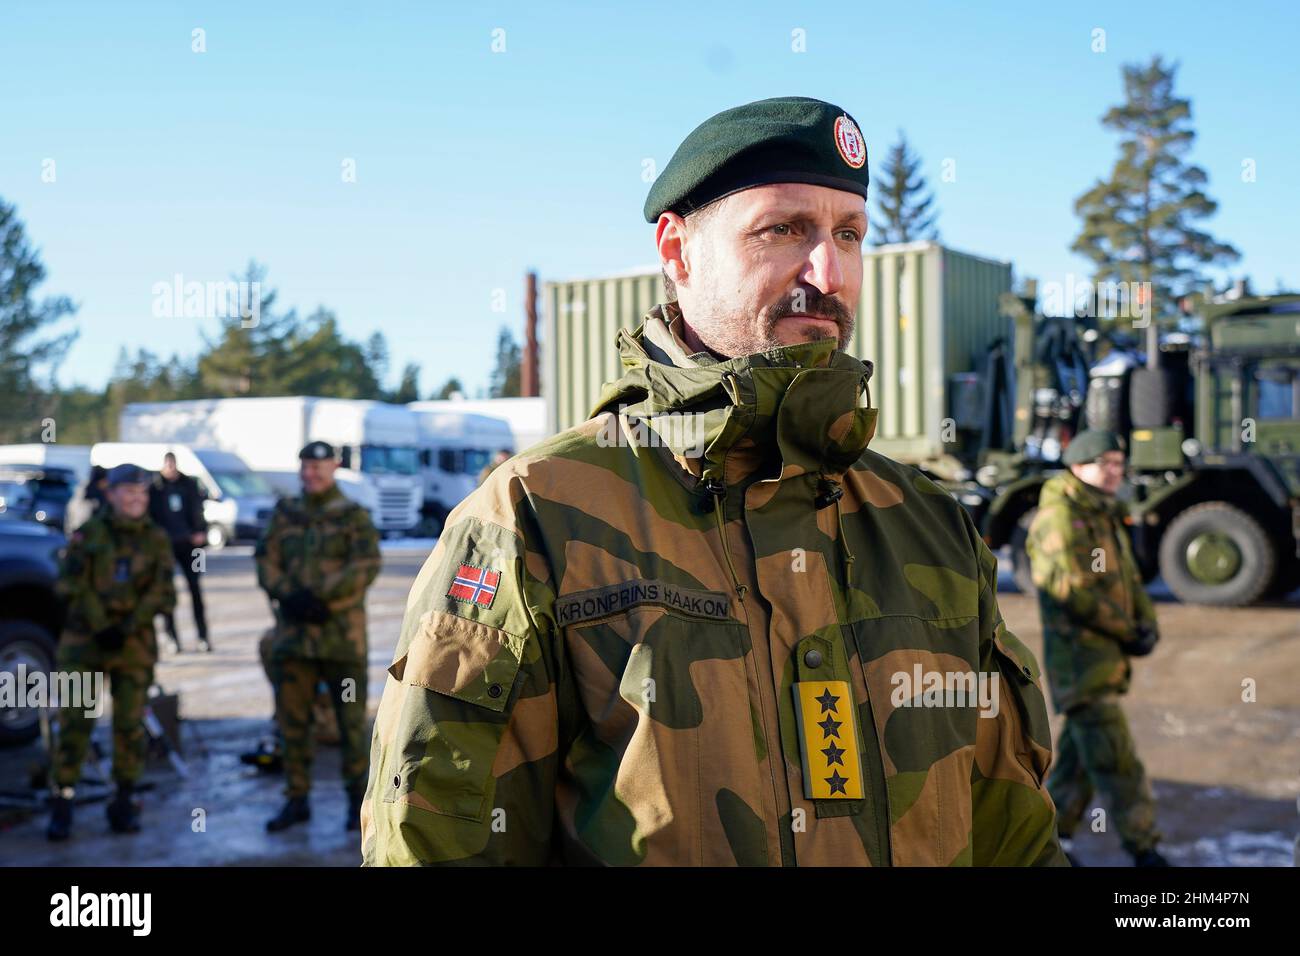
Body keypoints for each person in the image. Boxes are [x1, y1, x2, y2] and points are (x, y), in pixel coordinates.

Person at [362, 96, 1066, 866]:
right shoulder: (538, 514)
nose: (827, 272)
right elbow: (436, 840)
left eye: (849, 235)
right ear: (678, 251)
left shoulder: (926, 519)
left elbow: (1014, 834)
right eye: (783, 230)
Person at [1026, 429, 1168, 867]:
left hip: (1104, 656)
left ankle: (1046, 841)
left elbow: (1126, 578)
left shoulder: (1103, 511)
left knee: (1079, 760)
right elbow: (1073, 590)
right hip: (1080, 659)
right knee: (1115, 759)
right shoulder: (1062, 518)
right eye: (1104, 462)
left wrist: (1147, 624)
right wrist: (1128, 631)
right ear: (1077, 464)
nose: (1114, 471)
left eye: (1119, 463)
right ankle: (1145, 850)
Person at [255, 441, 380, 832]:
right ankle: (297, 800)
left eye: (319, 467)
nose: (312, 474)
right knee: (293, 724)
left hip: (341, 642)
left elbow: (366, 565)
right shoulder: (285, 514)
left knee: (350, 725)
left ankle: (357, 805)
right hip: (293, 641)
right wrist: (289, 596)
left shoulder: (353, 516)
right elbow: (265, 560)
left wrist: (321, 598)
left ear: (334, 467)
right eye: (306, 467)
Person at [46, 464, 176, 840]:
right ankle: (63, 799)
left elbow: (164, 592)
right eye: (128, 492)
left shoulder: (156, 538)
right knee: (74, 721)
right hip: (85, 644)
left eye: (142, 493)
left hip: (134, 645)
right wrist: (102, 625)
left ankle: (124, 799)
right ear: (111, 493)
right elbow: (70, 583)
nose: (136, 499)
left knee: (130, 726)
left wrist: (129, 624)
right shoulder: (88, 534)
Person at [149, 451, 211, 652]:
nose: (170, 468)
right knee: (166, 592)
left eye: (173, 464)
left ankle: (203, 637)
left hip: (192, 546)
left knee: (196, 588)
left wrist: (201, 532)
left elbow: (200, 511)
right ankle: (171, 638)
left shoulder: (190, 484)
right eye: (167, 464)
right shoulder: (154, 488)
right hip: (166, 547)